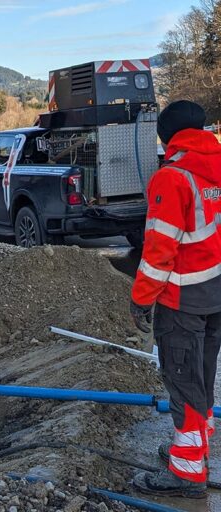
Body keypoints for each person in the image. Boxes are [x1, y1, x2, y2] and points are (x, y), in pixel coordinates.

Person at [130, 100, 221, 499]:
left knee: (183, 385)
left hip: (182, 300)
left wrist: (141, 298)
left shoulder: (173, 176)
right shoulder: (216, 165)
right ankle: (194, 454)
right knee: (201, 381)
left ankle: (186, 474)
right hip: (215, 296)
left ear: (166, 136)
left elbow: (159, 250)